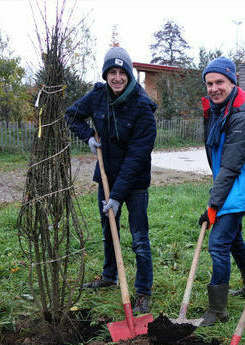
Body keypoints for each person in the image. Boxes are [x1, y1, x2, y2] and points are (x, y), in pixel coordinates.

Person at [65, 46, 157, 314]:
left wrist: (116, 196)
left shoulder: (143, 107)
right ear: (106, 75)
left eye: (122, 72)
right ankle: (109, 276)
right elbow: (72, 115)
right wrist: (89, 137)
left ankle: (143, 291)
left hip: (135, 182)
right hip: (106, 175)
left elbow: (136, 158)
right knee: (109, 230)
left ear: (129, 74)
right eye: (112, 72)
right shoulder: (98, 96)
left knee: (139, 237)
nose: (117, 78)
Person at [197, 56, 245, 327]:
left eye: (220, 82)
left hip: (240, 184)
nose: (214, 88)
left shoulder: (243, 117)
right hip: (228, 182)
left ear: (233, 82)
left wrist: (213, 206)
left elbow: (232, 165)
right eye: (209, 83)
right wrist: (214, 202)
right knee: (233, 236)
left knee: (218, 243)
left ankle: (218, 310)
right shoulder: (219, 109)